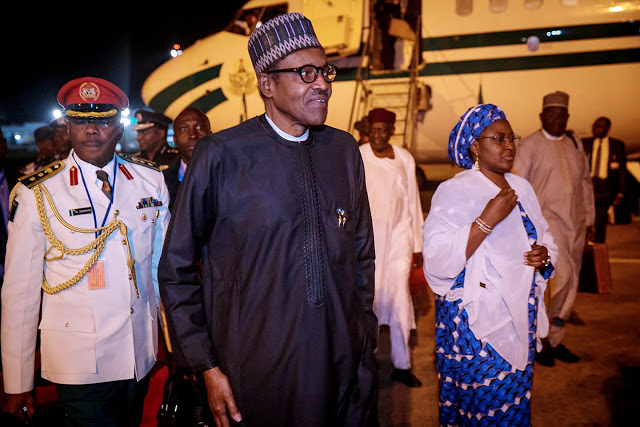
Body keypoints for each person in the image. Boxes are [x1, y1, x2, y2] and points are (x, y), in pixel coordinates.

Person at [158, 12, 378, 427]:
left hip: (342, 364)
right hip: (256, 373)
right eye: (306, 72)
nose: (323, 84)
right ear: (267, 84)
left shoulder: (344, 150)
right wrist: (206, 365)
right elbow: (176, 269)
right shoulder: (222, 155)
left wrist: (363, 331)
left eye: (325, 71)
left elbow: (361, 253)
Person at [0, 77, 170, 425]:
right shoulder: (38, 193)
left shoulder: (150, 181)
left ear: (119, 127)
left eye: (103, 120)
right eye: (80, 120)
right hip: (78, 362)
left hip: (139, 354)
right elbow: (20, 294)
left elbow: (160, 270)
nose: (91, 131)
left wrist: (173, 342)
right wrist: (17, 381)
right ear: (68, 127)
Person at [422, 103, 557, 425]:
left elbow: (545, 234)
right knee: (480, 409)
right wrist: (486, 220)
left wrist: (544, 255)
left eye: (512, 138)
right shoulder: (454, 191)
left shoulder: (522, 187)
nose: (509, 145)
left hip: (520, 314)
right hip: (474, 325)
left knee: (513, 406)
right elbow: (437, 259)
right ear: (475, 145)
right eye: (498, 138)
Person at [512, 91, 595, 367]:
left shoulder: (574, 143)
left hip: (577, 223)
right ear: (541, 116)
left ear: (567, 118)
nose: (557, 120)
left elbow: (585, 182)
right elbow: (519, 188)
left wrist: (591, 219)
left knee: (571, 284)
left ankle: (556, 339)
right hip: (548, 224)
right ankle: (541, 340)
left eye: (562, 116)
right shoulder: (530, 145)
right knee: (559, 279)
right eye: (551, 115)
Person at [359, 107, 423, 387]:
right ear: (368, 131)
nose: (378, 135)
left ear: (391, 132)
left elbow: (413, 201)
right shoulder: (359, 155)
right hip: (367, 243)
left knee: (399, 299)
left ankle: (402, 364)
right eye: (373, 130)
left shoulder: (404, 159)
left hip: (399, 238)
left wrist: (417, 244)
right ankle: (367, 360)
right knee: (368, 300)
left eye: (383, 130)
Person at [582, 117, 628, 241]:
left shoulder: (617, 145)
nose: (595, 129)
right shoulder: (585, 143)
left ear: (607, 128)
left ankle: (598, 250)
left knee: (600, 222)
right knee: (583, 222)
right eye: (594, 125)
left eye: (599, 126)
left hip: (604, 188)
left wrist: (621, 192)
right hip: (588, 185)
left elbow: (622, 170)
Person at [163, 107, 211, 212]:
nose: (193, 135)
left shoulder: (228, 176)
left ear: (211, 134)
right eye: (184, 129)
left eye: (199, 127)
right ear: (174, 139)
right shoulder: (162, 181)